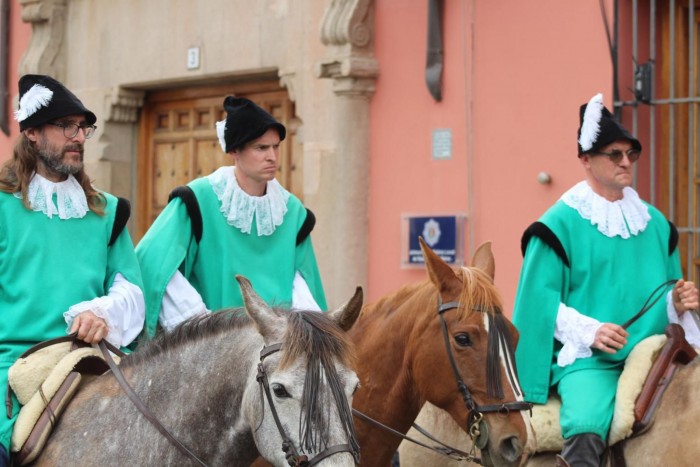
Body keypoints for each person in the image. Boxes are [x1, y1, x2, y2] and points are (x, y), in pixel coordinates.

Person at [512, 93, 700, 467]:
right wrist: (592, 331)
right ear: (586, 160)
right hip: (590, 360)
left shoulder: (656, 224)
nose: (626, 161)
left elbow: (663, 291)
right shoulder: (556, 226)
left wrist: (676, 303)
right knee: (586, 420)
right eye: (615, 154)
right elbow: (537, 302)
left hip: (654, 352)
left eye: (631, 153)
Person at [0, 74, 145, 465]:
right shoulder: (1, 205)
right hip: (11, 361)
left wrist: (100, 313)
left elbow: (131, 290)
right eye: (66, 126)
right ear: (31, 132)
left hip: (93, 355)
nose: (78, 136)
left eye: (83, 128)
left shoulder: (107, 211)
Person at [136, 96, 327, 337]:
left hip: (278, 347)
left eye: (276, 146)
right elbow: (153, 263)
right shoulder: (197, 199)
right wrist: (201, 328)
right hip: (213, 345)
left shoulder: (291, 212)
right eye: (261, 148)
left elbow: (304, 288)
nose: (272, 157)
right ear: (234, 150)